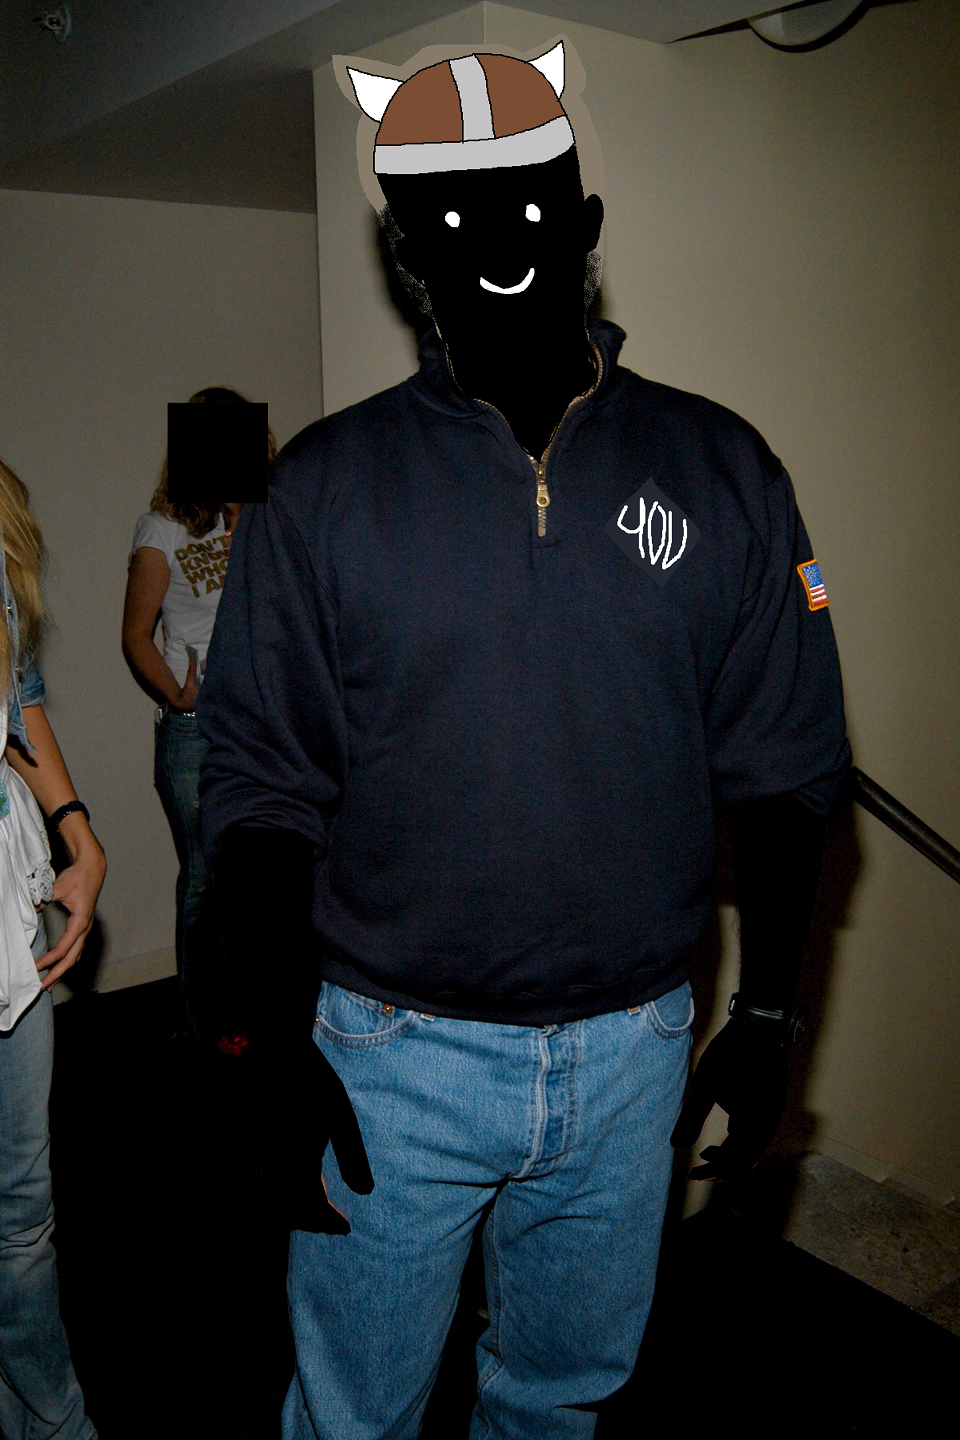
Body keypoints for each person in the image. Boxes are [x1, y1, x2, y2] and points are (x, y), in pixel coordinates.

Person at [200, 42, 850, 1440]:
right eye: (452, 218)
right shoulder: (322, 489)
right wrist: (268, 1042)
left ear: (589, 223)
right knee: (353, 1415)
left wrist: (773, 1014)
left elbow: (789, 767)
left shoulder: (727, 470)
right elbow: (259, 791)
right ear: (407, 255)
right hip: (387, 1054)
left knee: (562, 1402)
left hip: (637, 1050)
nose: (499, 243)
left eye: (533, 206)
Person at [0, 456, 107, 1440]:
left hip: (7, 910)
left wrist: (77, 829)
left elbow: (18, 695)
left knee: (22, 1212)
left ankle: (49, 1424)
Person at [121, 386, 276, 1051]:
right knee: (206, 882)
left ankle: (260, 1009)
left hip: (264, 722)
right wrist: (178, 695)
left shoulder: (269, 518)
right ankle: (205, 1019)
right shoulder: (163, 528)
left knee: (265, 875)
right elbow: (136, 635)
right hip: (197, 731)